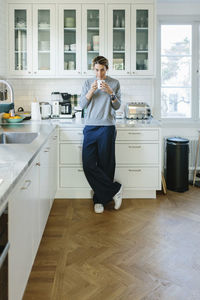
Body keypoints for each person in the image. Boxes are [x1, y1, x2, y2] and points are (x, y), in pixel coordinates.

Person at [79, 56, 123, 213]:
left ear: (107, 69)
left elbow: (117, 106)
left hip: (107, 127)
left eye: (102, 70)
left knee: (106, 164)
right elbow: (81, 105)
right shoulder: (87, 83)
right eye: (97, 70)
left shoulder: (114, 83)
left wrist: (111, 93)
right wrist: (91, 91)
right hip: (90, 127)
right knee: (88, 164)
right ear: (93, 69)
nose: (99, 74)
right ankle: (115, 189)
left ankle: (100, 200)